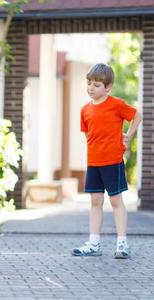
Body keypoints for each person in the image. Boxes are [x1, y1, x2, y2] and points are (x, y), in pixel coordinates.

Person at [72, 63, 142, 259]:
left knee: (116, 201)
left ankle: (122, 244)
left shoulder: (117, 104)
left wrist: (127, 135)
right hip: (94, 162)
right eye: (89, 84)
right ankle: (94, 244)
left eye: (96, 85)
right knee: (95, 201)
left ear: (108, 87)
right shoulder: (85, 109)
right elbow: (87, 132)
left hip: (113, 161)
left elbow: (137, 116)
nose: (91, 88)